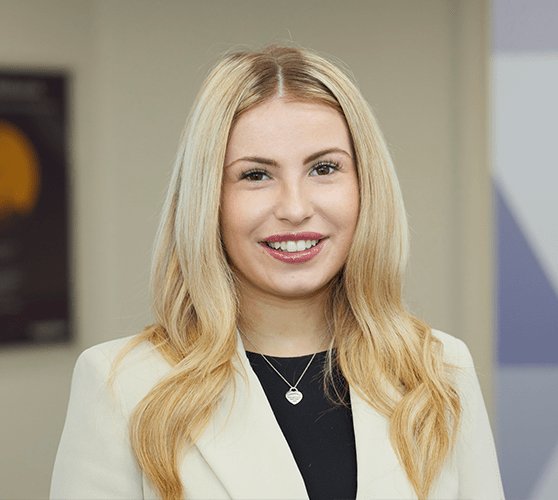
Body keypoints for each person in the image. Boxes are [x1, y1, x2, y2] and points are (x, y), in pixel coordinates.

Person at [50, 45, 505, 500]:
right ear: (210, 200)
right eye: (255, 175)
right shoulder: (122, 384)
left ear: (366, 185)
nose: (294, 208)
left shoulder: (440, 370)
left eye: (324, 168)